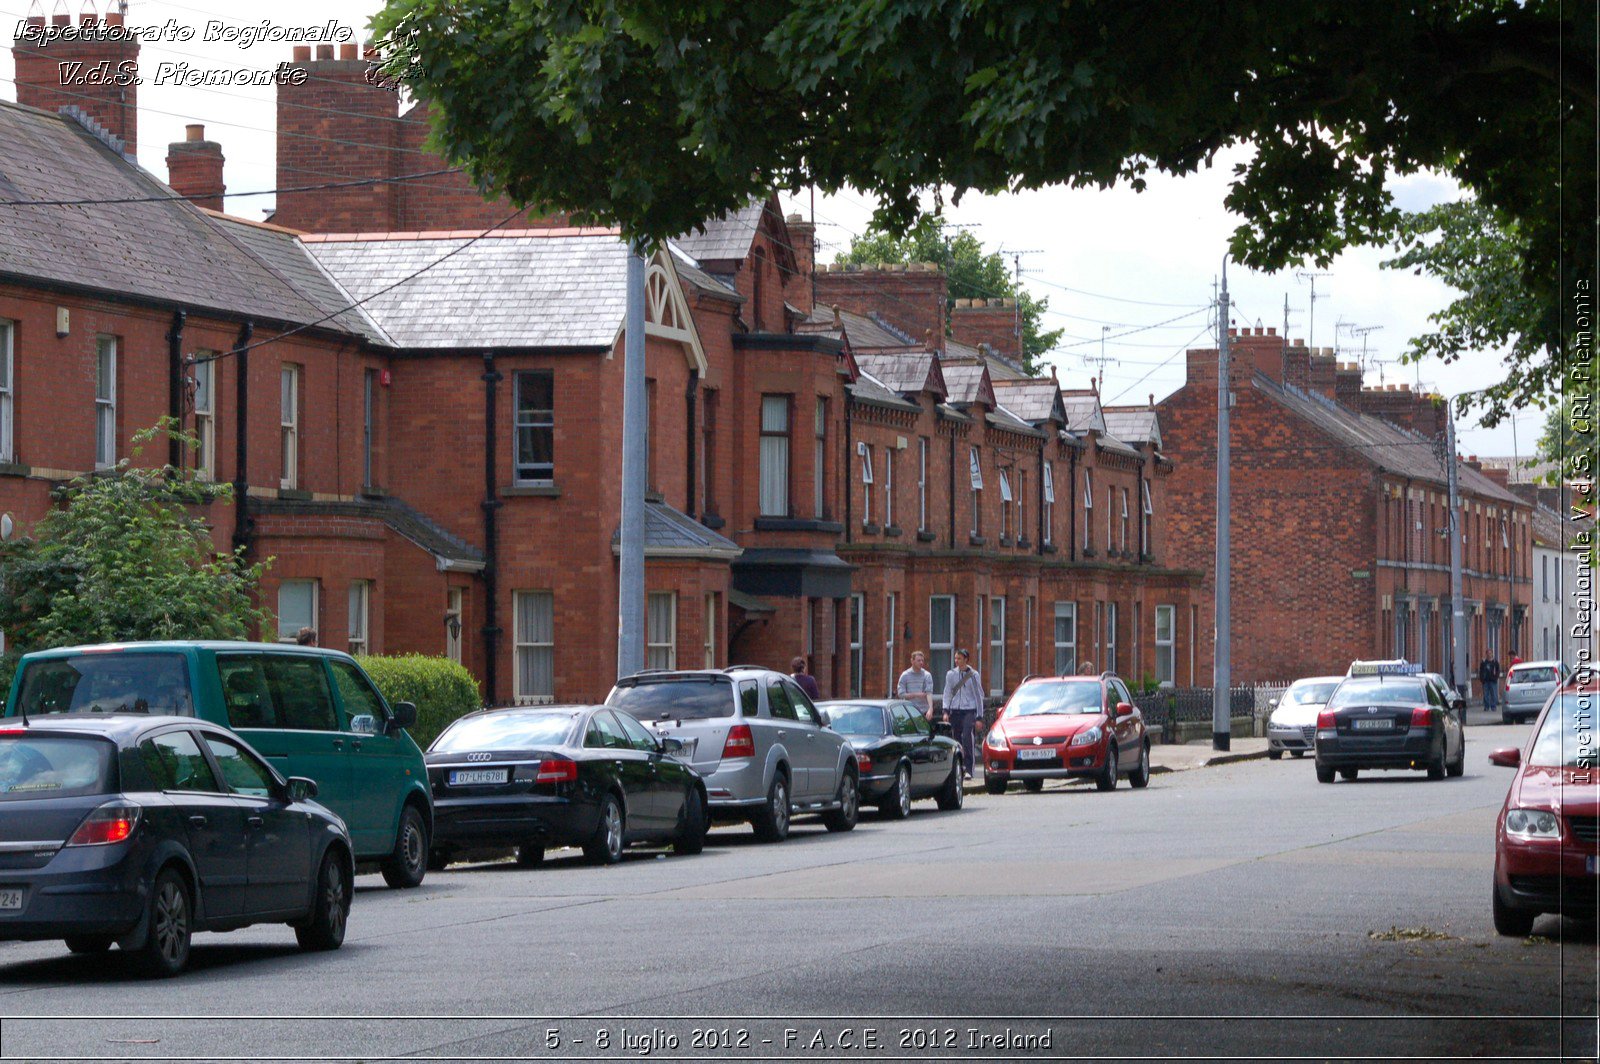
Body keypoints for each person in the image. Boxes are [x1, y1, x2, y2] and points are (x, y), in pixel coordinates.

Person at [942, 649, 983, 780]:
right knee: (956, 740)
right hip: (955, 710)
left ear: (966, 659)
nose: (957, 661)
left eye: (959, 658)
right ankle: (959, 768)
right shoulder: (951, 674)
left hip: (969, 710)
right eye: (955, 658)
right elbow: (947, 692)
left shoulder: (973, 675)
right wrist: (945, 710)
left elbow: (978, 696)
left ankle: (969, 768)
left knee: (967, 737)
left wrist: (979, 716)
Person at [897, 650, 936, 721]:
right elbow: (901, 694)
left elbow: (929, 693)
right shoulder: (905, 675)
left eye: (922, 660)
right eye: (918, 660)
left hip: (924, 711)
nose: (921, 663)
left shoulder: (927, 675)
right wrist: (916, 694)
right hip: (909, 712)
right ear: (912, 661)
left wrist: (930, 709)